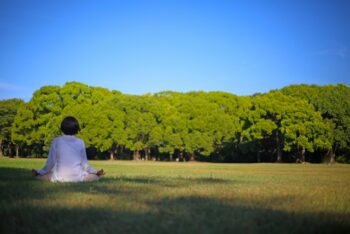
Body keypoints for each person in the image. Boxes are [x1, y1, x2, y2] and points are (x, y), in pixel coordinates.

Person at [32, 116, 105, 182]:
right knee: (94, 177)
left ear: (62, 128)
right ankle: (96, 174)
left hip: (59, 177)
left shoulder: (56, 141)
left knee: (42, 176)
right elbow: (84, 164)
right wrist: (95, 172)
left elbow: (50, 163)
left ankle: (37, 173)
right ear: (76, 129)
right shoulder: (80, 142)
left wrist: (40, 172)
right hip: (78, 178)